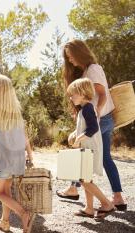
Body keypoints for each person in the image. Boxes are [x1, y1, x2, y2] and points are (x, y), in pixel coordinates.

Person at [57, 39, 127, 211]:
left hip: (100, 119)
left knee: (82, 155)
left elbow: (102, 94)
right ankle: (117, 197)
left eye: (71, 56)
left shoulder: (93, 69)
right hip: (104, 118)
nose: (71, 60)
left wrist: (95, 112)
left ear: (80, 52)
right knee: (103, 158)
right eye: (68, 58)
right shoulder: (87, 70)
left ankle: (76, 188)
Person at [0, 75, 35, 233]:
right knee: (7, 191)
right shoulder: (16, 113)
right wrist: (31, 156)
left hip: (4, 161)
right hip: (17, 160)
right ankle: (4, 222)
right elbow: (25, 138)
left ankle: (23, 213)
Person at [66, 78, 115, 220]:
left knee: (84, 180)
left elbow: (93, 128)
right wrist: (74, 134)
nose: (71, 97)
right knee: (86, 178)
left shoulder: (87, 108)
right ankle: (89, 208)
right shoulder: (84, 109)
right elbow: (85, 127)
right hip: (87, 148)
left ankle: (106, 204)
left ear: (82, 93)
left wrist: (78, 140)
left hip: (90, 148)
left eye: (73, 94)